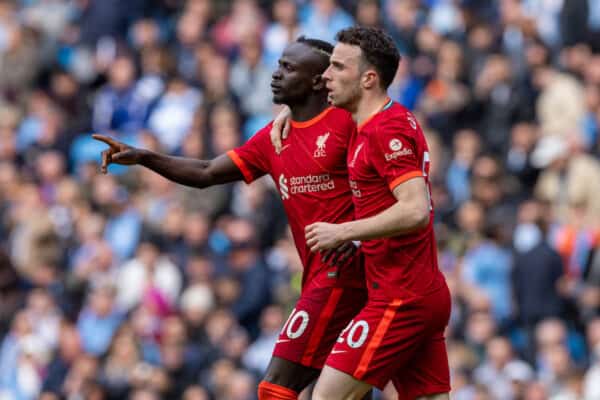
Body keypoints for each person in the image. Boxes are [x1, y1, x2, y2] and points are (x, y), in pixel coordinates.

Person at [93, 37, 368, 400]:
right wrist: (146, 157)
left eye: (288, 68)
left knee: (276, 387)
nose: (276, 74)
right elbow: (207, 171)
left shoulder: (348, 122)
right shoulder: (275, 138)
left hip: (344, 276)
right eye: (278, 65)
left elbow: (389, 179)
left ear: (319, 81)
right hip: (318, 275)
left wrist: (359, 236)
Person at [275, 27, 451, 400]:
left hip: (400, 298)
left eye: (338, 67)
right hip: (420, 291)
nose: (325, 75)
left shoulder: (383, 132)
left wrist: (343, 232)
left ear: (369, 78)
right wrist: (288, 115)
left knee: (325, 398)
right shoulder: (371, 122)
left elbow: (416, 209)